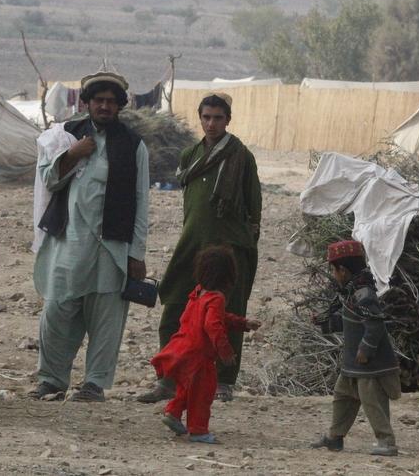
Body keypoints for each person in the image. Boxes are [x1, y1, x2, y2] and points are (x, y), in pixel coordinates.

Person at [30, 72, 150, 402]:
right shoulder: (66, 135)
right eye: (99, 100)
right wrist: (73, 154)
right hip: (68, 241)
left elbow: (141, 200)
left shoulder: (133, 145)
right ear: (87, 103)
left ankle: (94, 384)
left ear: (120, 106)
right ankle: (51, 380)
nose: (105, 106)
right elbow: (48, 180)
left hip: (111, 245)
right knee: (57, 310)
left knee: (107, 317)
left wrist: (137, 252)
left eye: (111, 101)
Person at [138, 92, 262, 404]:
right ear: (200, 118)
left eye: (218, 118)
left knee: (228, 313)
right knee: (175, 309)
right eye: (206, 117)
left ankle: (224, 382)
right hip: (192, 243)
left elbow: (254, 208)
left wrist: (244, 249)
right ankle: (168, 379)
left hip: (229, 247)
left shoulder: (241, 156)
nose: (211, 124)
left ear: (228, 120)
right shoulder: (189, 155)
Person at [152, 245, 261, 443]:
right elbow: (213, 325)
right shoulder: (217, 298)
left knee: (187, 387)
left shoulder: (198, 293)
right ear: (228, 275)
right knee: (203, 392)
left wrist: (243, 323)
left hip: (182, 349)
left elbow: (215, 318)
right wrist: (225, 351)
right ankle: (198, 430)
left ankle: (173, 412)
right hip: (199, 356)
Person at [311, 240, 400, 456]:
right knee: (342, 397)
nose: (333, 275)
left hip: (369, 365)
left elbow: (375, 324)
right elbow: (351, 321)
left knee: (373, 402)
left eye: (334, 270)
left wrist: (365, 349)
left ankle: (387, 442)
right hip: (353, 364)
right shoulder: (352, 292)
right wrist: (326, 324)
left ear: (343, 270)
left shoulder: (364, 294)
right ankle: (335, 437)